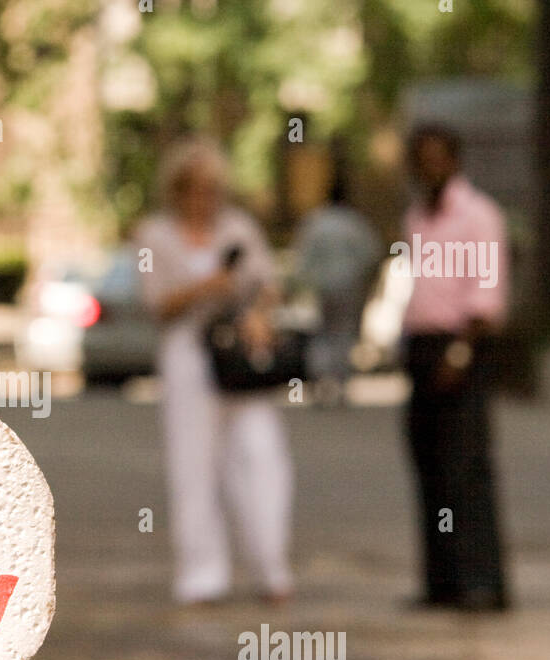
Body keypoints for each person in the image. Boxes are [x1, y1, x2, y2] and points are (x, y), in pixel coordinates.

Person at [134, 138, 294, 606]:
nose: (205, 198)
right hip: (188, 354)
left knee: (261, 455)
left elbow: (269, 283)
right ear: (178, 190)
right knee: (193, 464)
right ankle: (202, 573)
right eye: (195, 189)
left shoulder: (238, 228)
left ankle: (272, 566)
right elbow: (156, 304)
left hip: (240, 359)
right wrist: (208, 287)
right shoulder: (155, 235)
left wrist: (259, 313)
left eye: (213, 189)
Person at [400, 124, 509, 611]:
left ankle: (482, 581)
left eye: (439, 158)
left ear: (455, 160)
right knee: (430, 467)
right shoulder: (416, 219)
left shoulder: (479, 215)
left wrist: (460, 352)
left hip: (463, 346)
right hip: (421, 348)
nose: (431, 168)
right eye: (422, 159)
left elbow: (486, 296)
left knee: (466, 467)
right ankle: (442, 581)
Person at [293, 174, 382, 405]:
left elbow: (303, 260)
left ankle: (322, 380)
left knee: (322, 335)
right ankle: (340, 384)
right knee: (343, 336)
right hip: (348, 288)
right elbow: (371, 255)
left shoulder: (316, 222)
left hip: (324, 288)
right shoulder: (354, 223)